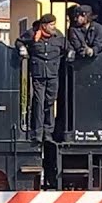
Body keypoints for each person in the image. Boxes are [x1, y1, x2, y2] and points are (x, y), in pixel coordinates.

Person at [16, 13, 67, 141]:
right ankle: (37, 132)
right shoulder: (32, 33)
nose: (53, 27)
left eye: (54, 24)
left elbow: (68, 47)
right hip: (39, 74)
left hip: (53, 73)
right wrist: (22, 48)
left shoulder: (58, 36)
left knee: (50, 102)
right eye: (51, 24)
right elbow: (19, 41)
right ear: (44, 26)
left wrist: (71, 52)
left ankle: (48, 132)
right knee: (38, 102)